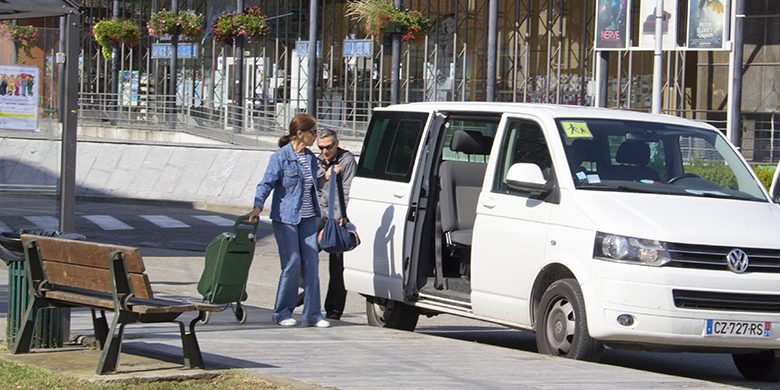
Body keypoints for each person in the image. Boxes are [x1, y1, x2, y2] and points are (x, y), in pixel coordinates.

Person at [247, 113, 331, 328]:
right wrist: (257, 206)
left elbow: (315, 186)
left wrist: (327, 177)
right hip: (286, 218)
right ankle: (282, 312)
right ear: (300, 134)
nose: (315, 136)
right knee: (292, 263)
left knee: (312, 264)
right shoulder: (281, 157)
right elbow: (266, 183)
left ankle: (312, 314)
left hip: (308, 218)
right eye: (312, 132)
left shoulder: (311, 159)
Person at [316, 129, 357, 320]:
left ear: (337, 143)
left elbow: (348, 191)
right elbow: (313, 189)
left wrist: (340, 217)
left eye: (329, 147)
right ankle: (301, 295)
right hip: (317, 214)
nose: (325, 152)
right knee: (300, 256)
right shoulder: (316, 161)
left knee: (338, 266)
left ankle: (333, 310)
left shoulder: (346, 160)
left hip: (337, 216)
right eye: (321, 147)